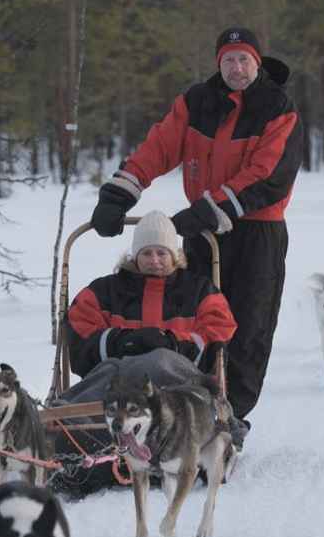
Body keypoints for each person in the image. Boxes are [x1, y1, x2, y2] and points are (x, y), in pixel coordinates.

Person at [88, 26, 301, 434]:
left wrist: (207, 209)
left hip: (257, 233)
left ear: (257, 63)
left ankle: (230, 417)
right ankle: (186, 409)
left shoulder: (278, 108)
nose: (236, 67)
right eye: (228, 59)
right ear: (218, 62)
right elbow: (159, 146)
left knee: (248, 327)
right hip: (203, 233)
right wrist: (119, 193)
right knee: (194, 320)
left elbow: (268, 176)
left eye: (243, 59)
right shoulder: (197, 102)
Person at [66, 210, 237, 377]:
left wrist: (173, 345)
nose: (154, 260)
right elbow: (80, 334)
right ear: (135, 256)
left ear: (174, 256)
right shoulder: (104, 291)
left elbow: (218, 331)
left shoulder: (200, 291)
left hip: (182, 385)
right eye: (146, 253)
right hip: (115, 383)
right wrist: (120, 342)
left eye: (161, 253)